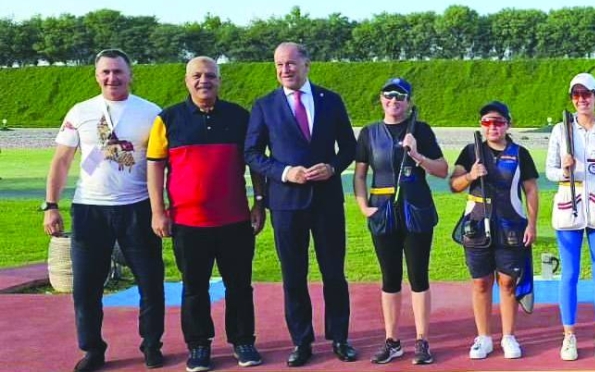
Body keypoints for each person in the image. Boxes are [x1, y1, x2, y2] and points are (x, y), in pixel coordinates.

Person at [42, 49, 165, 372]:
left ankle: (152, 345)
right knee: (86, 288)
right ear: (96, 75)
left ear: (130, 73)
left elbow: (164, 164)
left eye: (118, 72)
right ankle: (93, 349)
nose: (112, 78)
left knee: (150, 282)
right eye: (106, 72)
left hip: (137, 208)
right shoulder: (81, 111)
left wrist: (161, 208)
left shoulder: (151, 113)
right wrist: (51, 205)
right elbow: (62, 161)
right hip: (89, 210)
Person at [146, 57, 266, 371]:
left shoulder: (239, 117)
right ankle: (199, 346)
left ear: (219, 80)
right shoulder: (168, 119)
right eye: (197, 75)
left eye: (210, 75)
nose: (204, 81)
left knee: (240, 285)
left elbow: (254, 162)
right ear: (186, 80)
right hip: (188, 223)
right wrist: (158, 211)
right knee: (194, 288)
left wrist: (259, 202)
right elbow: (155, 166)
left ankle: (243, 341)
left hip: (235, 221)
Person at [244, 42, 358, 367]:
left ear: (306, 64)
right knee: (293, 276)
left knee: (333, 273)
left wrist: (333, 167)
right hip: (285, 204)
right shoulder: (264, 105)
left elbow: (348, 147)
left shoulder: (330, 100)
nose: (284, 70)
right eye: (279, 65)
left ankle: (340, 337)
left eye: (291, 63)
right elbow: (251, 154)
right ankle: (302, 341)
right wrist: (283, 172)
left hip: (327, 203)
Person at [353, 78, 448, 365]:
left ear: (408, 101)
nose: (393, 101)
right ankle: (392, 341)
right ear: (381, 99)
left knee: (418, 276)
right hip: (383, 210)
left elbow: (442, 170)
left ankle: (422, 340)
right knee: (389, 277)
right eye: (388, 95)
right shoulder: (369, 133)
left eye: (400, 96)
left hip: (415, 209)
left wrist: (417, 154)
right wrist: (363, 206)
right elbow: (359, 175)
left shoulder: (421, 130)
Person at [544, 73, 595, 361]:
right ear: (572, 99)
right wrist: (564, 170)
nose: (582, 99)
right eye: (576, 95)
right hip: (569, 210)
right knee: (569, 275)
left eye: (587, 94)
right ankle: (569, 336)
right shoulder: (560, 130)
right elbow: (550, 171)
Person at [449, 101, 539, 360]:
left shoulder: (520, 153)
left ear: (507, 124)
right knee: (480, 282)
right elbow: (453, 185)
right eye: (487, 122)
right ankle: (484, 337)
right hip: (476, 227)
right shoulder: (470, 152)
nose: (492, 127)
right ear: (481, 125)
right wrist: (470, 176)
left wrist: (531, 224)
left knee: (508, 282)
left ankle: (508, 336)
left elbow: (531, 190)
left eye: (498, 122)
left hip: (511, 226)